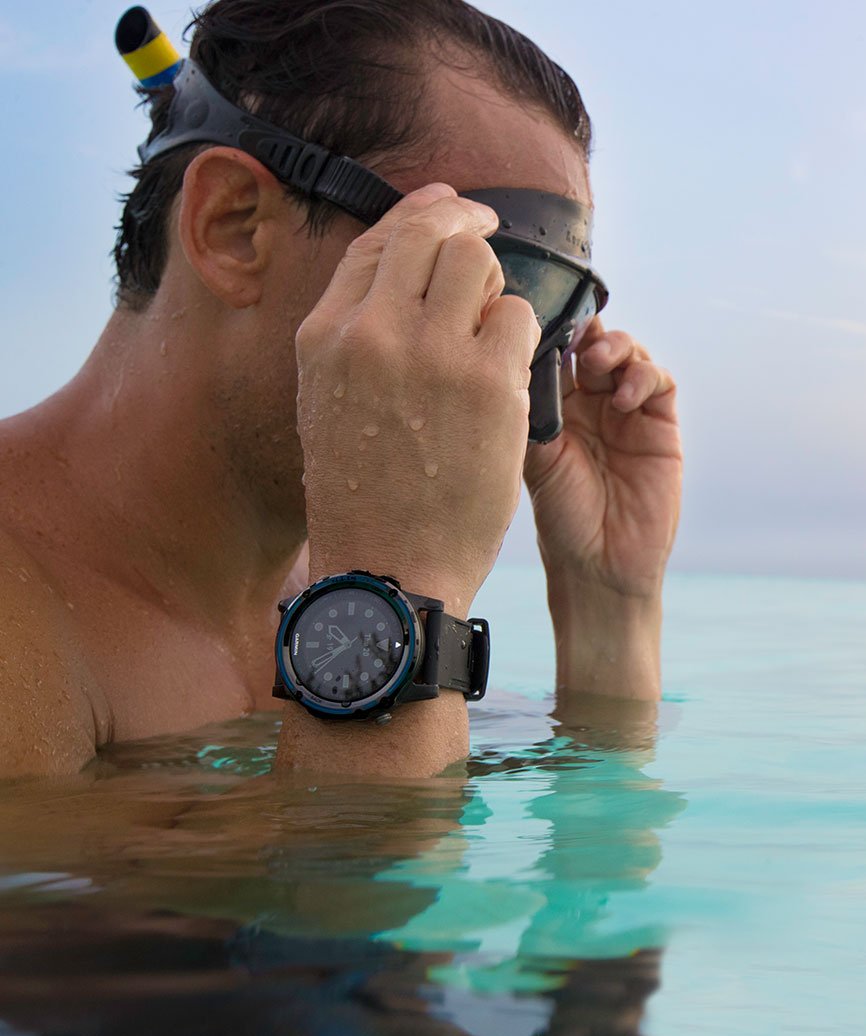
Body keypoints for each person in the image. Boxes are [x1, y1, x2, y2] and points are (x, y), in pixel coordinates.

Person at [0, 0, 682, 779]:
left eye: (555, 317)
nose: (520, 386)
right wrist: (400, 591)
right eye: (480, 276)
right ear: (235, 227)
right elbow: (361, 902)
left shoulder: (305, 597)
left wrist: (610, 604)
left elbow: (592, 870)